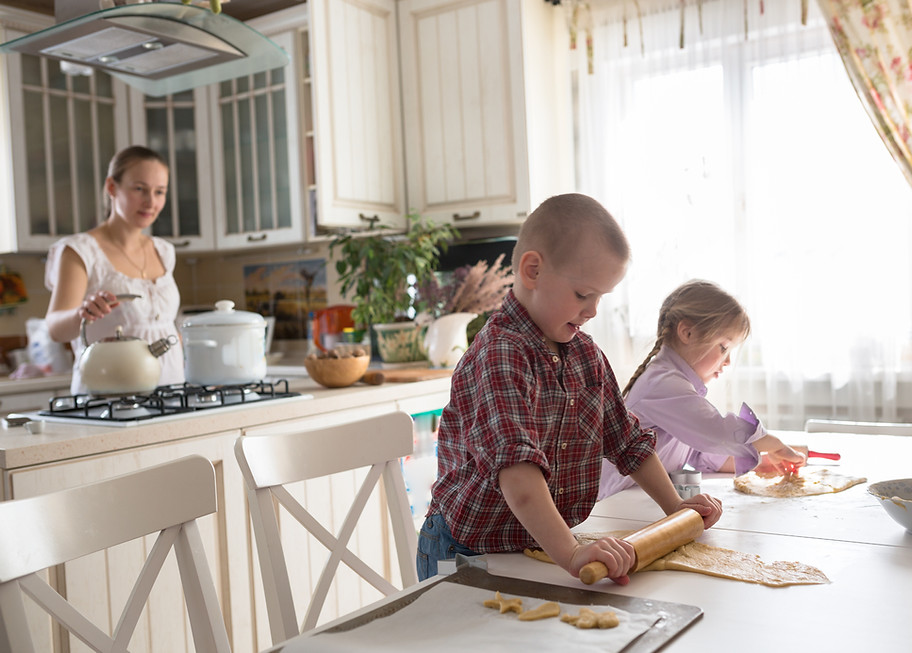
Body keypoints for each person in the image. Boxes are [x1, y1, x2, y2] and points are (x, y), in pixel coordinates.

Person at [416, 193, 723, 584]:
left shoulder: (585, 356)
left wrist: (676, 508)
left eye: (600, 297)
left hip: (535, 545)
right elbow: (519, 476)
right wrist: (573, 553)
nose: (592, 309)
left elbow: (627, 442)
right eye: (583, 294)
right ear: (533, 271)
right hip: (467, 552)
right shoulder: (500, 356)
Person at [598, 279, 806, 499]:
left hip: (628, 501)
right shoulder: (663, 383)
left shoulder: (673, 384)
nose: (727, 362)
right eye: (724, 347)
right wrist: (775, 445)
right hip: (605, 504)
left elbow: (700, 453)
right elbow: (718, 431)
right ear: (687, 333)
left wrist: (759, 461)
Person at [45, 145, 185, 395]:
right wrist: (83, 313)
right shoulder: (80, 251)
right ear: (112, 187)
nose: (151, 202)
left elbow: (163, 326)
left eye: (159, 191)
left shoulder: (164, 251)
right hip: (107, 399)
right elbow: (55, 328)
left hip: (171, 394)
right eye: (139, 189)